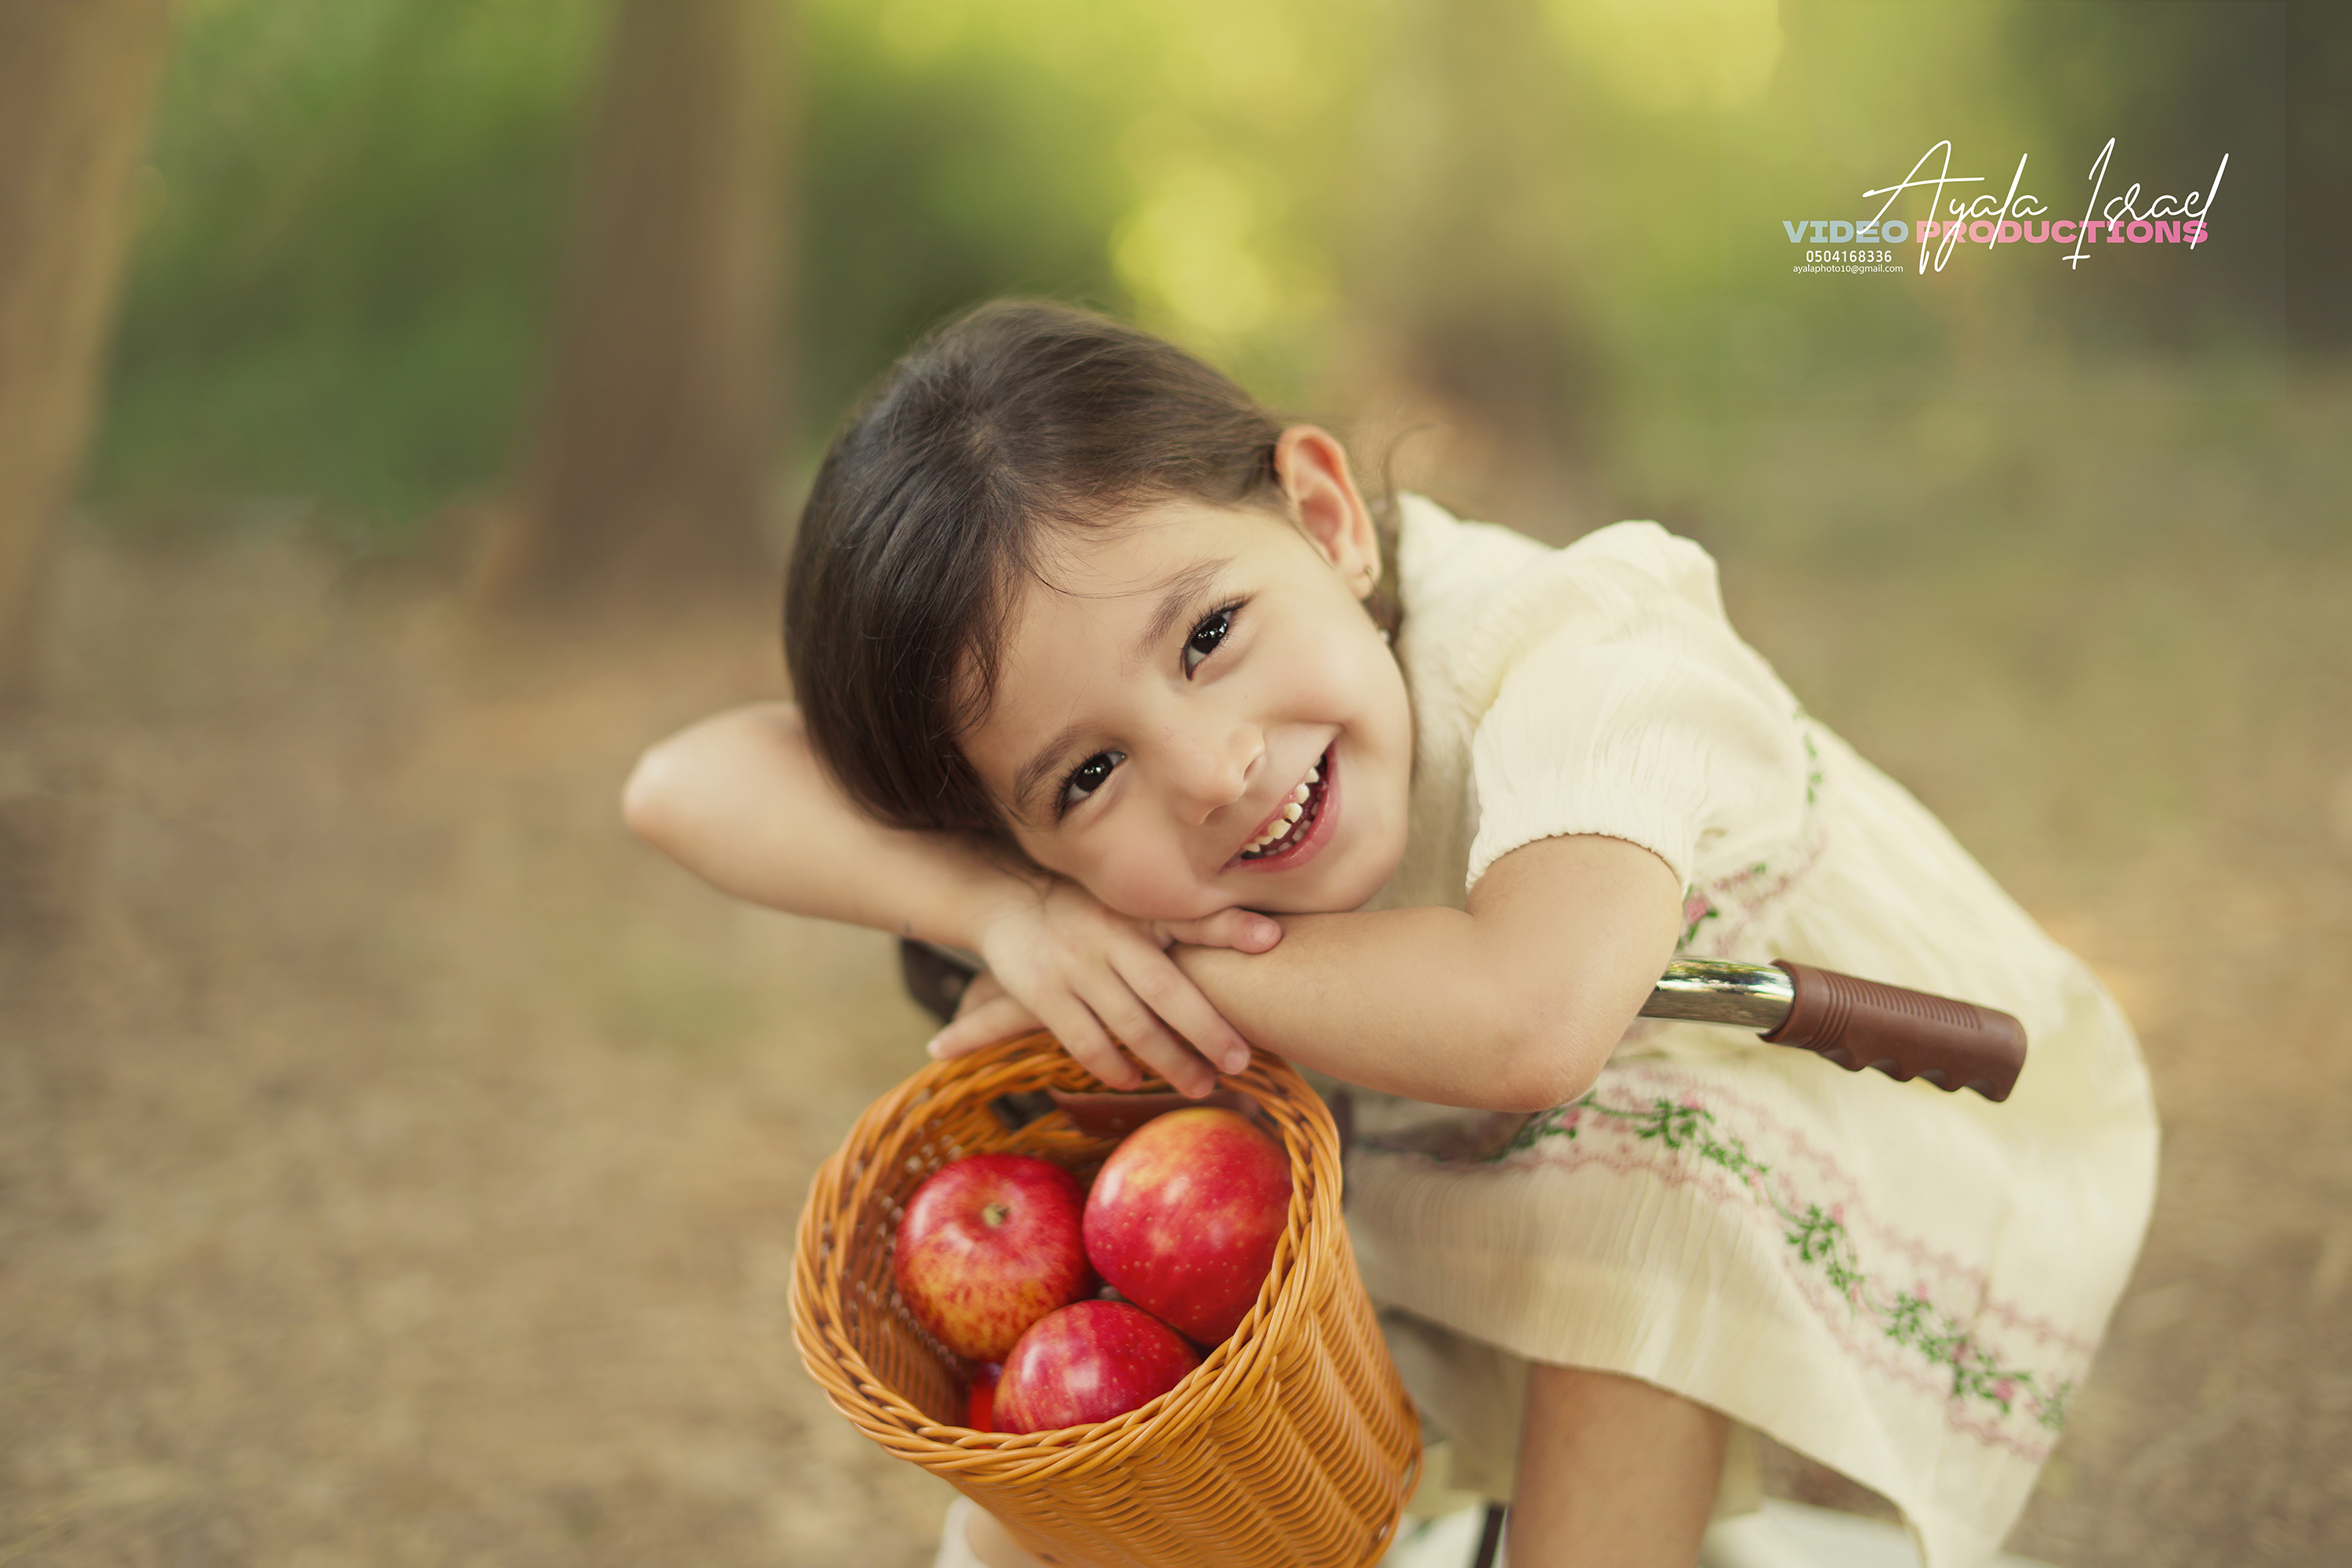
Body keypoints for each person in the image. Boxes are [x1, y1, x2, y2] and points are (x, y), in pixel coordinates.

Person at [623, 300, 2158, 1568]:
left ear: (1326, 516)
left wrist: (1142, 963)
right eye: (1087, 777)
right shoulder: (1051, 867)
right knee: (1043, 1490)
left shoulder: (1576, 647)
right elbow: (678, 783)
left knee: (1657, 1182)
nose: (1211, 769)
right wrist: (1001, 910)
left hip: (1849, 1106)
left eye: (1208, 636)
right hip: (1458, 1180)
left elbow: (1533, 1021)